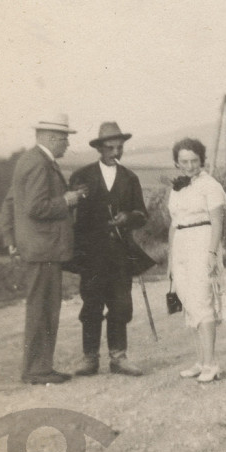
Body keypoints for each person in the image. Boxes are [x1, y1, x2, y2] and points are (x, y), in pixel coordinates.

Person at [66, 122, 155, 377]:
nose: (116, 152)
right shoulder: (81, 176)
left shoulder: (130, 178)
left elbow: (142, 215)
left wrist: (128, 217)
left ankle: (119, 357)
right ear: (100, 148)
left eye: (120, 147)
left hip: (120, 254)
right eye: (110, 148)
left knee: (120, 304)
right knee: (91, 303)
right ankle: (89, 358)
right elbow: (71, 214)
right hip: (91, 254)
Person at [1, 115, 84, 385]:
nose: (67, 143)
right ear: (50, 138)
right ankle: (37, 369)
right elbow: (36, 208)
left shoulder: (30, 160)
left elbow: (10, 202)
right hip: (44, 250)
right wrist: (68, 200)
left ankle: (39, 366)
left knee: (42, 308)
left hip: (37, 248)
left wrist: (11, 237)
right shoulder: (39, 163)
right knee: (43, 309)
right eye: (64, 138)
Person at [167, 138, 226, 383]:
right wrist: (171, 260)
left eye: (194, 160)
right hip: (181, 244)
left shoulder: (210, 185)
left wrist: (213, 254)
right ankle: (200, 361)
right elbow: (174, 224)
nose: (190, 165)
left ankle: (211, 363)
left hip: (202, 242)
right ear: (177, 163)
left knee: (202, 302)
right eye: (184, 161)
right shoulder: (177, 188)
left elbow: (217, 222)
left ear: (201, 161)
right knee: (189, 302)